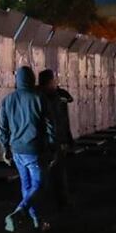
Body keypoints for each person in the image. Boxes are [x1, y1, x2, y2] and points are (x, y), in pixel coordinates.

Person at [0, 66, 56, 232]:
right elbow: (50, 125)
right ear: (32, 80)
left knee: (27, 186)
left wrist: (5, 148)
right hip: (35, 150)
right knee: (39, 185)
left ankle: (36, 220)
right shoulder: (40, 98)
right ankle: (19, 211)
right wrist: (53, 147)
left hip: (17, 151)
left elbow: (2, 128)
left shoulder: (7, 100)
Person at [38, 69, 73, 210]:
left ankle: (44, 203)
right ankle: (61, 202)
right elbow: (61, 121)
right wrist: (66, 140)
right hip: (54, 141)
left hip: (41, 141)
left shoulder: (36, 96)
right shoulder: (56, 97)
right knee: (58, 173)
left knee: (43, 174)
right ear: (50, 81)